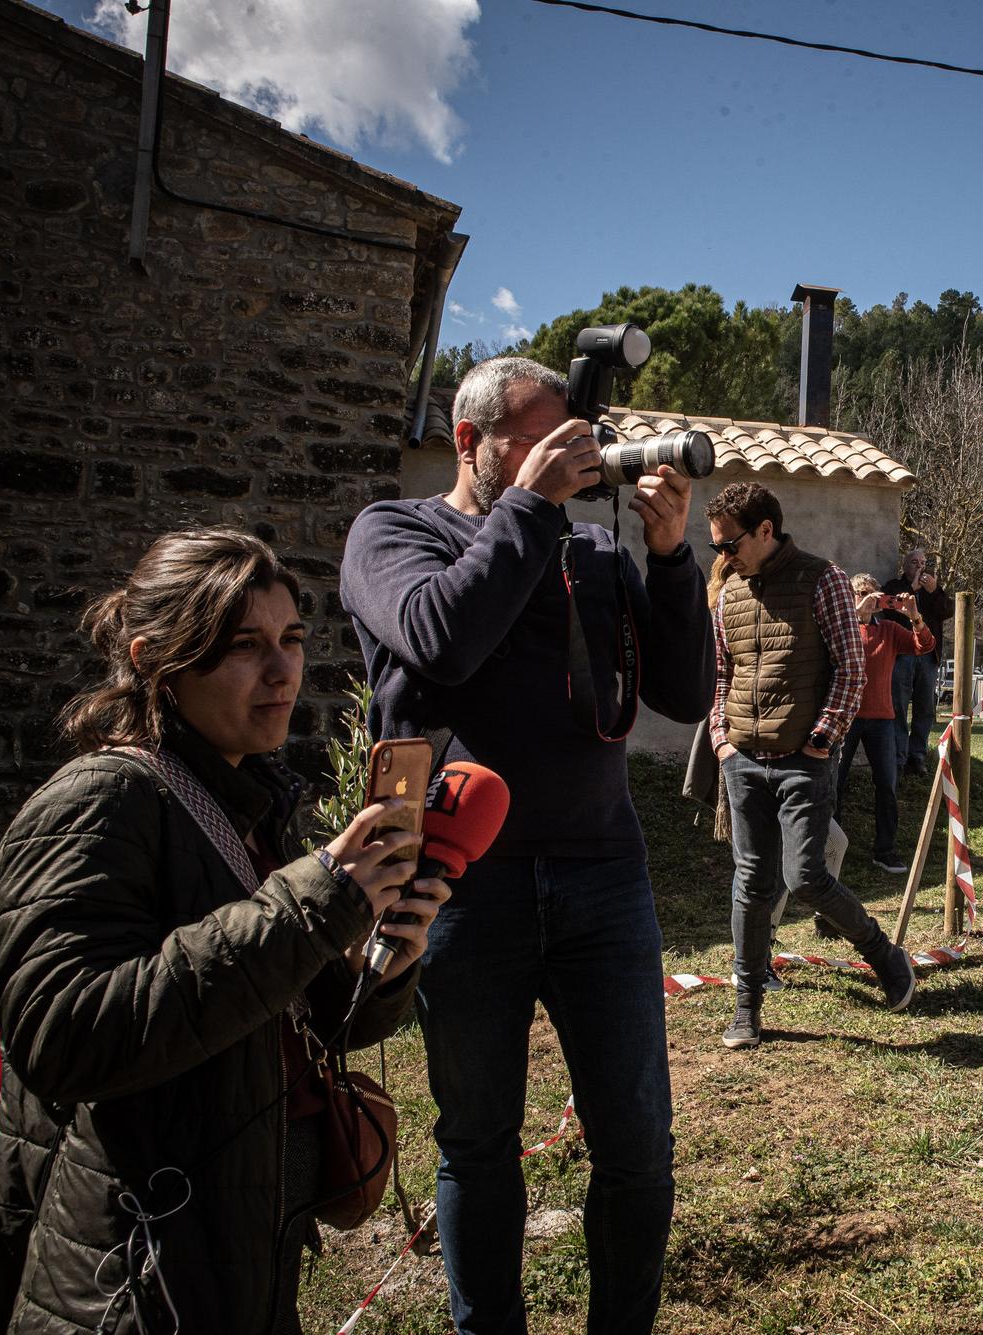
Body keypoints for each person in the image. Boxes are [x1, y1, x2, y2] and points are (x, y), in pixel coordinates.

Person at [0, 529, 447, 1335]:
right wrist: (312, 903)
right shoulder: (98, 802)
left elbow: (296, 1012)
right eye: (244, 647)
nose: (284, 670)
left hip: (234, 1259)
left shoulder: (246, 800)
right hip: (125, 1277)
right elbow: (60, 1030)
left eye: (292, 640)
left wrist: (383, 964)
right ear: (158, 660)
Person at [339, 355, 713, 1335]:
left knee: (637, 1147)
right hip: (458, 886)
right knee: (477, 1142)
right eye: (539, 439)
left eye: (573, 438)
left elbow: (682, 693)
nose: (568, 456)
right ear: (470, 444)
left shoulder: (585, 553)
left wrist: (671, 559)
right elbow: (441, 636)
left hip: (603, 875)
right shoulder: (393, 533)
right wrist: (532, 510)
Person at [708, 482, 917, 1049]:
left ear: (766, 530)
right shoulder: (728, 595)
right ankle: (746, 1006)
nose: (722, 556)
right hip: (743, 760)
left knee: (806, 878)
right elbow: (723, 674)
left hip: (804, 760)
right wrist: (722, 738)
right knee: (752, 882)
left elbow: (851, 668)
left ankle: (883, 954)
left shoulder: (821, 579)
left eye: (729, 544)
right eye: (717, 547)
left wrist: (823, 738)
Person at [836, 573, 935, 873]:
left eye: (874, 594)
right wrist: (855, 613)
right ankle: (828, 847)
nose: (869, 599)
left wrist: (915, 617)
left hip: (881, 718)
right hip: (844, 718)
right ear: (851, 596)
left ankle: (885, 850)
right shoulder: (844, 626)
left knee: (887, 785)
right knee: (834, 784)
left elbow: (924, 647)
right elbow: (826, 639)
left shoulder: (889, 630)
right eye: (862, 593)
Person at [883, 547, 956, 775]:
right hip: (902, 654)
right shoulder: (895, 587)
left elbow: (948, 611)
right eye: (914, 562)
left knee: (925, 708)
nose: (919, 566)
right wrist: (911, 590)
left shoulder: (933, 589)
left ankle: (918, 756)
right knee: (899, 705)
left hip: (927, 657)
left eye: (923, 562)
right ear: (905, 566)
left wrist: (934, 591)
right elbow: (888, 610)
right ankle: (899, 757)